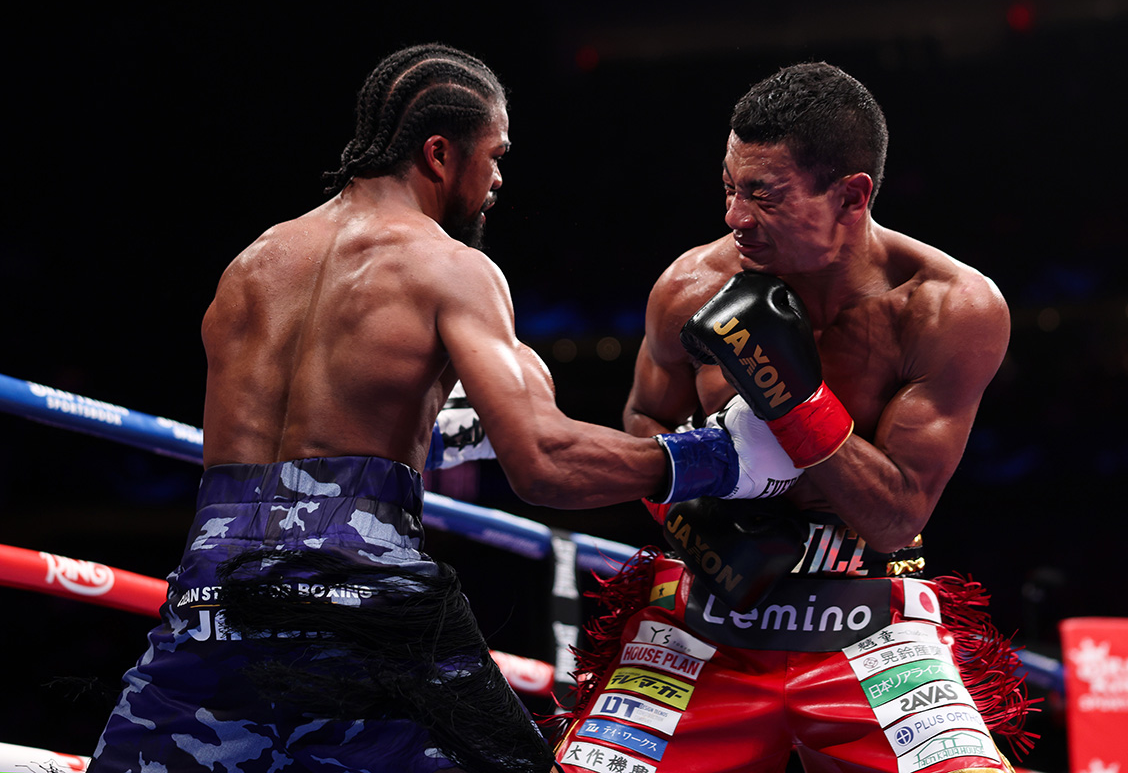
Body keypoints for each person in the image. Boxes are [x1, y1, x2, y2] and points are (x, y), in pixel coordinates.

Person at [87, 44, 804, 773]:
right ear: (439, 153)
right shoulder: (449, 266)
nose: (497, 179)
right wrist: (719, 458)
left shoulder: (251, 265)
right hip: (364, 595)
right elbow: (546, 465)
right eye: (493, 155)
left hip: (211, 601)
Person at [553, 63, 1032, 773]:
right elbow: (645, 423)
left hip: (867, 618)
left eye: (763, 194)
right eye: (729, 186)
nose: (734, 217)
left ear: (851, 195)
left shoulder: (947, 308)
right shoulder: (692, 288)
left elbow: (898, 514)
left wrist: (793, 398)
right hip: (710, 615)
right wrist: (694, 526)